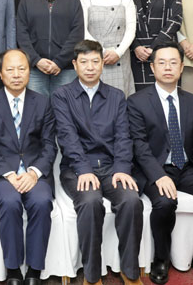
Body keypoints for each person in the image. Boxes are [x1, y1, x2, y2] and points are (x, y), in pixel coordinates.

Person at [127, 43, 193, 285]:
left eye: (173, 62)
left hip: (186, 167)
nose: (168, 67)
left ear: (182, 67)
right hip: (155, 169)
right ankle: (161, 258)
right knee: (165, 202)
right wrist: (158, 175)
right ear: (152, 68)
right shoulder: (136, 101)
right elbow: (139, 146)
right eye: (162, 62)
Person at [53, 41, 143, 285]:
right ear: (75, 65)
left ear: (103, 64)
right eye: (84, 62)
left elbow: (124, 136)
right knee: (91, 201)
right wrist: (83, 169)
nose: (90, 67)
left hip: (112, 167)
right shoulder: (62, 95)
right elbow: (67, 137)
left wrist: (122, 168)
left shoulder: (116, 96)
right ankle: (92, 276)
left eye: (95, 61)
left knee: (131, 200)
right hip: (77, 169)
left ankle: (130, 272)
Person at [0, 49, 57, 285]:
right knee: (10, 202)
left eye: (21, 69)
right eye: (10, 69)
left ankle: (34, 269)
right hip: (1, 173)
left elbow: (49, 145)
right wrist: (9, 173)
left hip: (35, 173)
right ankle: (13, 269)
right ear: (0, 73)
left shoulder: (42, 102)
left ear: (29, 72)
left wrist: (34, 172)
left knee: (41, 201)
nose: (16, 74)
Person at [16, 0, 83, 96]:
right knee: (36, 108)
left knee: (65, 107)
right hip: (35, 69)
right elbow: (22, 34)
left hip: (65, 69)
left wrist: (59, 61)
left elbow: (77, 34)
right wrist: (36, 60)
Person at [127, 0, 182, 91]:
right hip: (136, 54)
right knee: (139, 98)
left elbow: (176, 19)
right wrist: (136, 46)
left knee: (167, 95)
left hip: (165, 52)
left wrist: (155, 47)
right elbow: (123, 22)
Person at [80, 0, 136, 96]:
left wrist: (118, 52)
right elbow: (83, 30)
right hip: (95, 58)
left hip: (120, 57)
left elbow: (131, 30)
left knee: (120, 99)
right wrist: (103, 52)